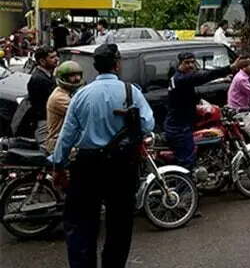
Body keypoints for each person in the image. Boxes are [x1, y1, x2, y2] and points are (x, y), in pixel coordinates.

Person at [51, 44, 155, 268]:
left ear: (96, 67)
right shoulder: (131, 92)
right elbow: (148, 124)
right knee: (119, 225)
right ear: (117, 65)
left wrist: (58, 166)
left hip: (87, 166)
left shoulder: (81, 95)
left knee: (81, 224)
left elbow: (66, 136)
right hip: (122, 166)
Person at [165, 51, 250, 168]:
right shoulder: (182, 79)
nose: (190, 65)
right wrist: (231, 67)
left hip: (176, 123)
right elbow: (204, 76)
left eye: (193, 62)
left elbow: (192, 93)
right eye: (187, 63)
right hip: (181, 129)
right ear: (179, 64)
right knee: (186, 164)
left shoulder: (177, 77)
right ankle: (185, 185)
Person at [45, 61, 85, 153]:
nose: (77, 78)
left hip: (69, 140)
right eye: (72, 76)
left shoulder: (70, 92)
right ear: (63, 78)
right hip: (58, 143)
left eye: (78, 75)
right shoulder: (59, 97)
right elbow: (82, 113)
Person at [26, 46, 58, 148]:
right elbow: (39, 105)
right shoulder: (38, 79)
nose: (56, 59)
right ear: (42, 61)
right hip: (44, 122)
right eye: (52, 57)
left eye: (56, 56)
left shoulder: (49, 75)